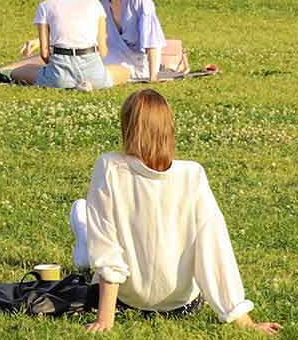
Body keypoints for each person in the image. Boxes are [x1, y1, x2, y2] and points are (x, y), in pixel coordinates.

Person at [66, 89, 274, 333]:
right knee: (96, 233)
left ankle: (83, 237)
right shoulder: (192, 175)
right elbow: (215, 249)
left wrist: (105, 319)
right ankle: (84, 237)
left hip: (127, 301)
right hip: (182, 305)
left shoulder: (110, 167)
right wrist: (242, 319)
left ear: (127, 127)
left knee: (92, 229)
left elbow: (107, 248)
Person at [10, 0, 111, 90]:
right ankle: (85, 84)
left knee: (17, 72)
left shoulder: (45, 6)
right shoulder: (95, 4)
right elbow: (102, 50)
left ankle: (67, 83)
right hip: (92, 68)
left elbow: (44, 53)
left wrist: (54, 68)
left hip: (60, 72)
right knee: (123, 71)